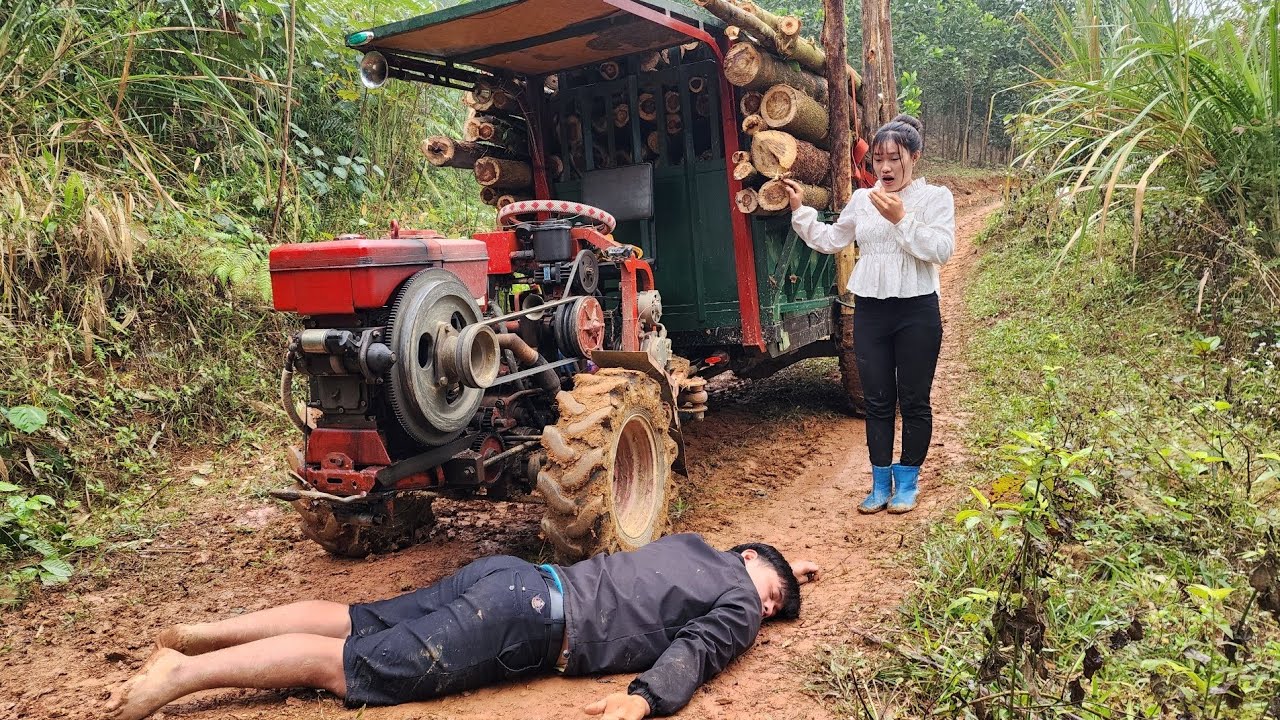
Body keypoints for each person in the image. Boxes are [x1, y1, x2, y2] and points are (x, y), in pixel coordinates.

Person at [103, 533, 821, 720]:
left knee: (355, 619)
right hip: (528, 623)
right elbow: (698, 649)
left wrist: (790, 574)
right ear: (752, 566)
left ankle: (207, 631)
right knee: (344, 664)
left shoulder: (700, 549)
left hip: (512, 578)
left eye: (770, 610)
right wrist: (645, 696)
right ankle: (185, 674)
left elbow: (756, 564)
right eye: (770, 597)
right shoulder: (735, 598)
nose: (764, 610)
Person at [784, 114, 955, 516]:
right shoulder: (862, 200)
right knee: (878, 400)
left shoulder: (935, 198)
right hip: (871, 310)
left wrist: (901, 219)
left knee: (914, 400)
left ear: (914, 157)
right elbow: (831, 240)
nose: (885, 167)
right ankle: (880, 485)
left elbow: (942, 251)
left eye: (895, 158)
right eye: (878, 159)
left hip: (918, 309)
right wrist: (800, 209)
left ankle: (907, 484)